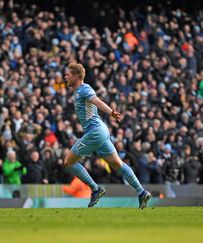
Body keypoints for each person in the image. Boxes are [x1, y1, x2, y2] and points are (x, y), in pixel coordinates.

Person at [63, 63, 151, 209]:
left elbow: (97, 101)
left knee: (69, 161)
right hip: (101, 131)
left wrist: (111, 112)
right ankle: (141, 192)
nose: (65, 76)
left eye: (68, 74)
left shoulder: (84, 89)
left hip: (95, 132)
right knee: (117, 164)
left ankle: (96, 189)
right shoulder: (79, 91)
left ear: (76, 76)